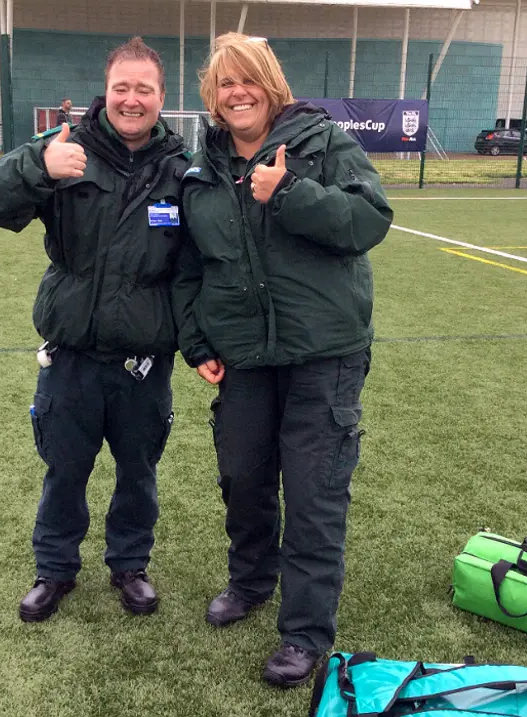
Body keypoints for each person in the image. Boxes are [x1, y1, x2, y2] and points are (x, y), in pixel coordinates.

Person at [172, 33, 392, 687]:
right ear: (211, 96)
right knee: (242, 479)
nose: (237, 93)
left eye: (249, 80)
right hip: (243, 357)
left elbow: (370, 219)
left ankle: (304, 633)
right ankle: (249, 582)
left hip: (323, 355)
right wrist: (198, 342)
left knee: (314, 494)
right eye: (225, 83)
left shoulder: (323, 145)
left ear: (272, 87)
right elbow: (188, 270)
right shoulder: (199, 170)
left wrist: (290, 191)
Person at [0, 37, 190, 623]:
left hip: (144, 361)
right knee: (64, 468)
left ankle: (130, 565)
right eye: (123, 87)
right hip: (70, 353)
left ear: (162, 97)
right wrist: (37, 169)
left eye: (144, 89)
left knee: (138, 473)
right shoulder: (65, 148)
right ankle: (54, 569)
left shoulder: (181, 168)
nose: (132, 99)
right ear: (107, 91)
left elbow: (201, 264)